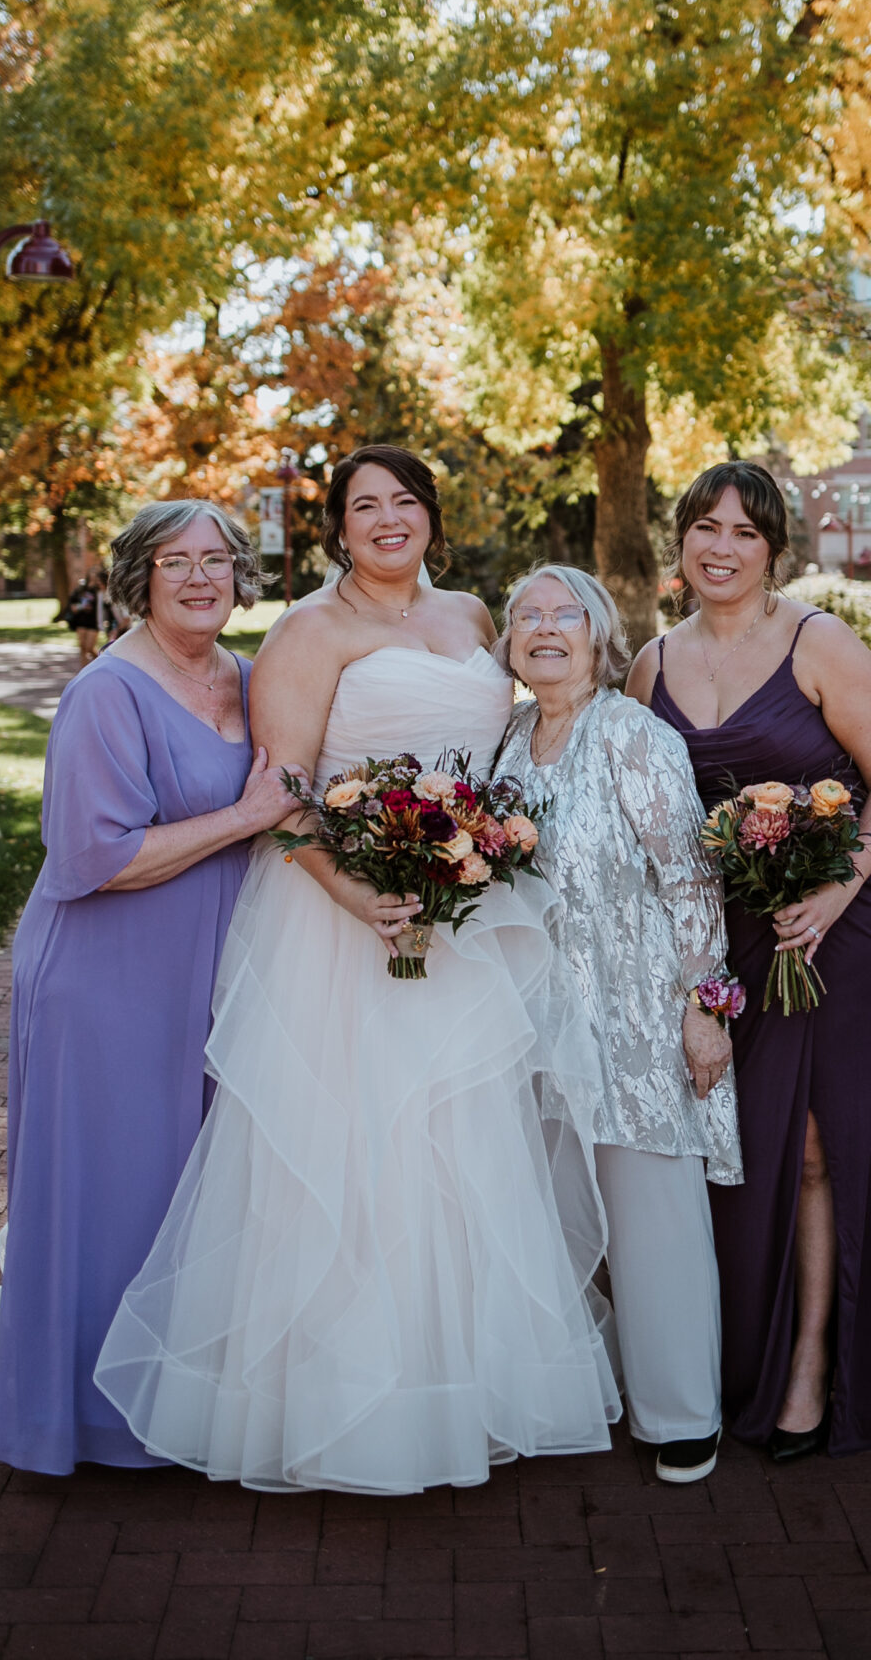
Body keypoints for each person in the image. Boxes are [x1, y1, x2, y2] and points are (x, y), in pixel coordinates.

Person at [95, 446, 620, 1493]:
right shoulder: (308, 631)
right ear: (337, 528)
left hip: (463, 910)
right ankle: (336, 1406)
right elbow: (283, 791)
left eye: (405, 501)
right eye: (363, 505)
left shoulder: (474, 617)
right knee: (354, 1152)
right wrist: (360, 895)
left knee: (465, 1142)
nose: (387, 519)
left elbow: (523, 723)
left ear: (431, 514)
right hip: (341, 920)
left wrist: (476, 853)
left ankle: (462, 1387)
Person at [0, 500, 293, 1474]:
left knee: (186, 1189)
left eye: (216, 560)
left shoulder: (247, 677)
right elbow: (93, 856)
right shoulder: (106, 690)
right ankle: (89, 1414)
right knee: (111, 1187)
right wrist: (245, 816)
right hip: (106, 977)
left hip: (205, 968)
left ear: (240, 575)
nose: (200, 577)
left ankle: (180, 1398)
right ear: (138, 578)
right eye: (175, 562)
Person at [629, 461, 871, 1460]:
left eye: (745, 532)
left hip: (838, 916)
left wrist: (836, 892)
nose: (721, 546)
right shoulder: (649, 663)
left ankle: (810, 1365)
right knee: (733, 1140)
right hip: (729, 933)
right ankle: (728, 1354)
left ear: (773, 548)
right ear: (680, 541)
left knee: (811, 1144)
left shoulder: (819, 642)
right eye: (704, 526)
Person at [493, 564, 742, 1486]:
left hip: (636, 1016)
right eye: (528, 616)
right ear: (510, 644)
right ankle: (566, 1389)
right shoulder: (508, 740)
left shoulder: (633, 735)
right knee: (543, 1207)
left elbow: (691, 881)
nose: (545, 628)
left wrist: (702, 1011)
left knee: (653, 1220)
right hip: (526, 1013)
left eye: (567, 614)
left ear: (600, 638)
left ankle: (682, 1417)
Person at [63, 576, 100, 670]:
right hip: (81, 621)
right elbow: (72, 607)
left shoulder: (98, 591)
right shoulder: (78, 591)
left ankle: (101, 663)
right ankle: (84, 670)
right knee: (83, 647)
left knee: (89, 648)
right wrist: (82, 607)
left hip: (93, 622)